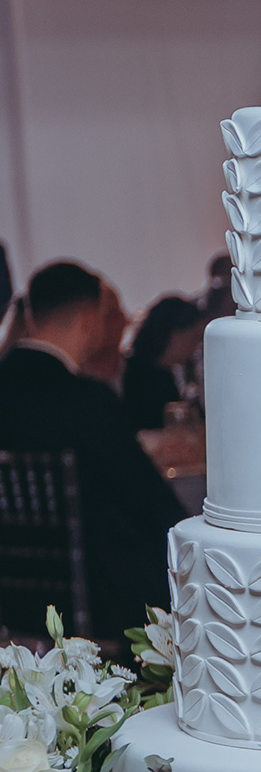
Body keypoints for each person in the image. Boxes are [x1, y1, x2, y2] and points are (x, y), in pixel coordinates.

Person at [0, 260, 183, 642]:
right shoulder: (85, 401)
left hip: (11, 596)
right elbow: (151, 503)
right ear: (88, 318)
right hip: (91, 599)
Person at [121, 296, 203, 432]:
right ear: (174, 335)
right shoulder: (139, 377)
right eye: (194, 338)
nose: (196, 347)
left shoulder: (167, 374)